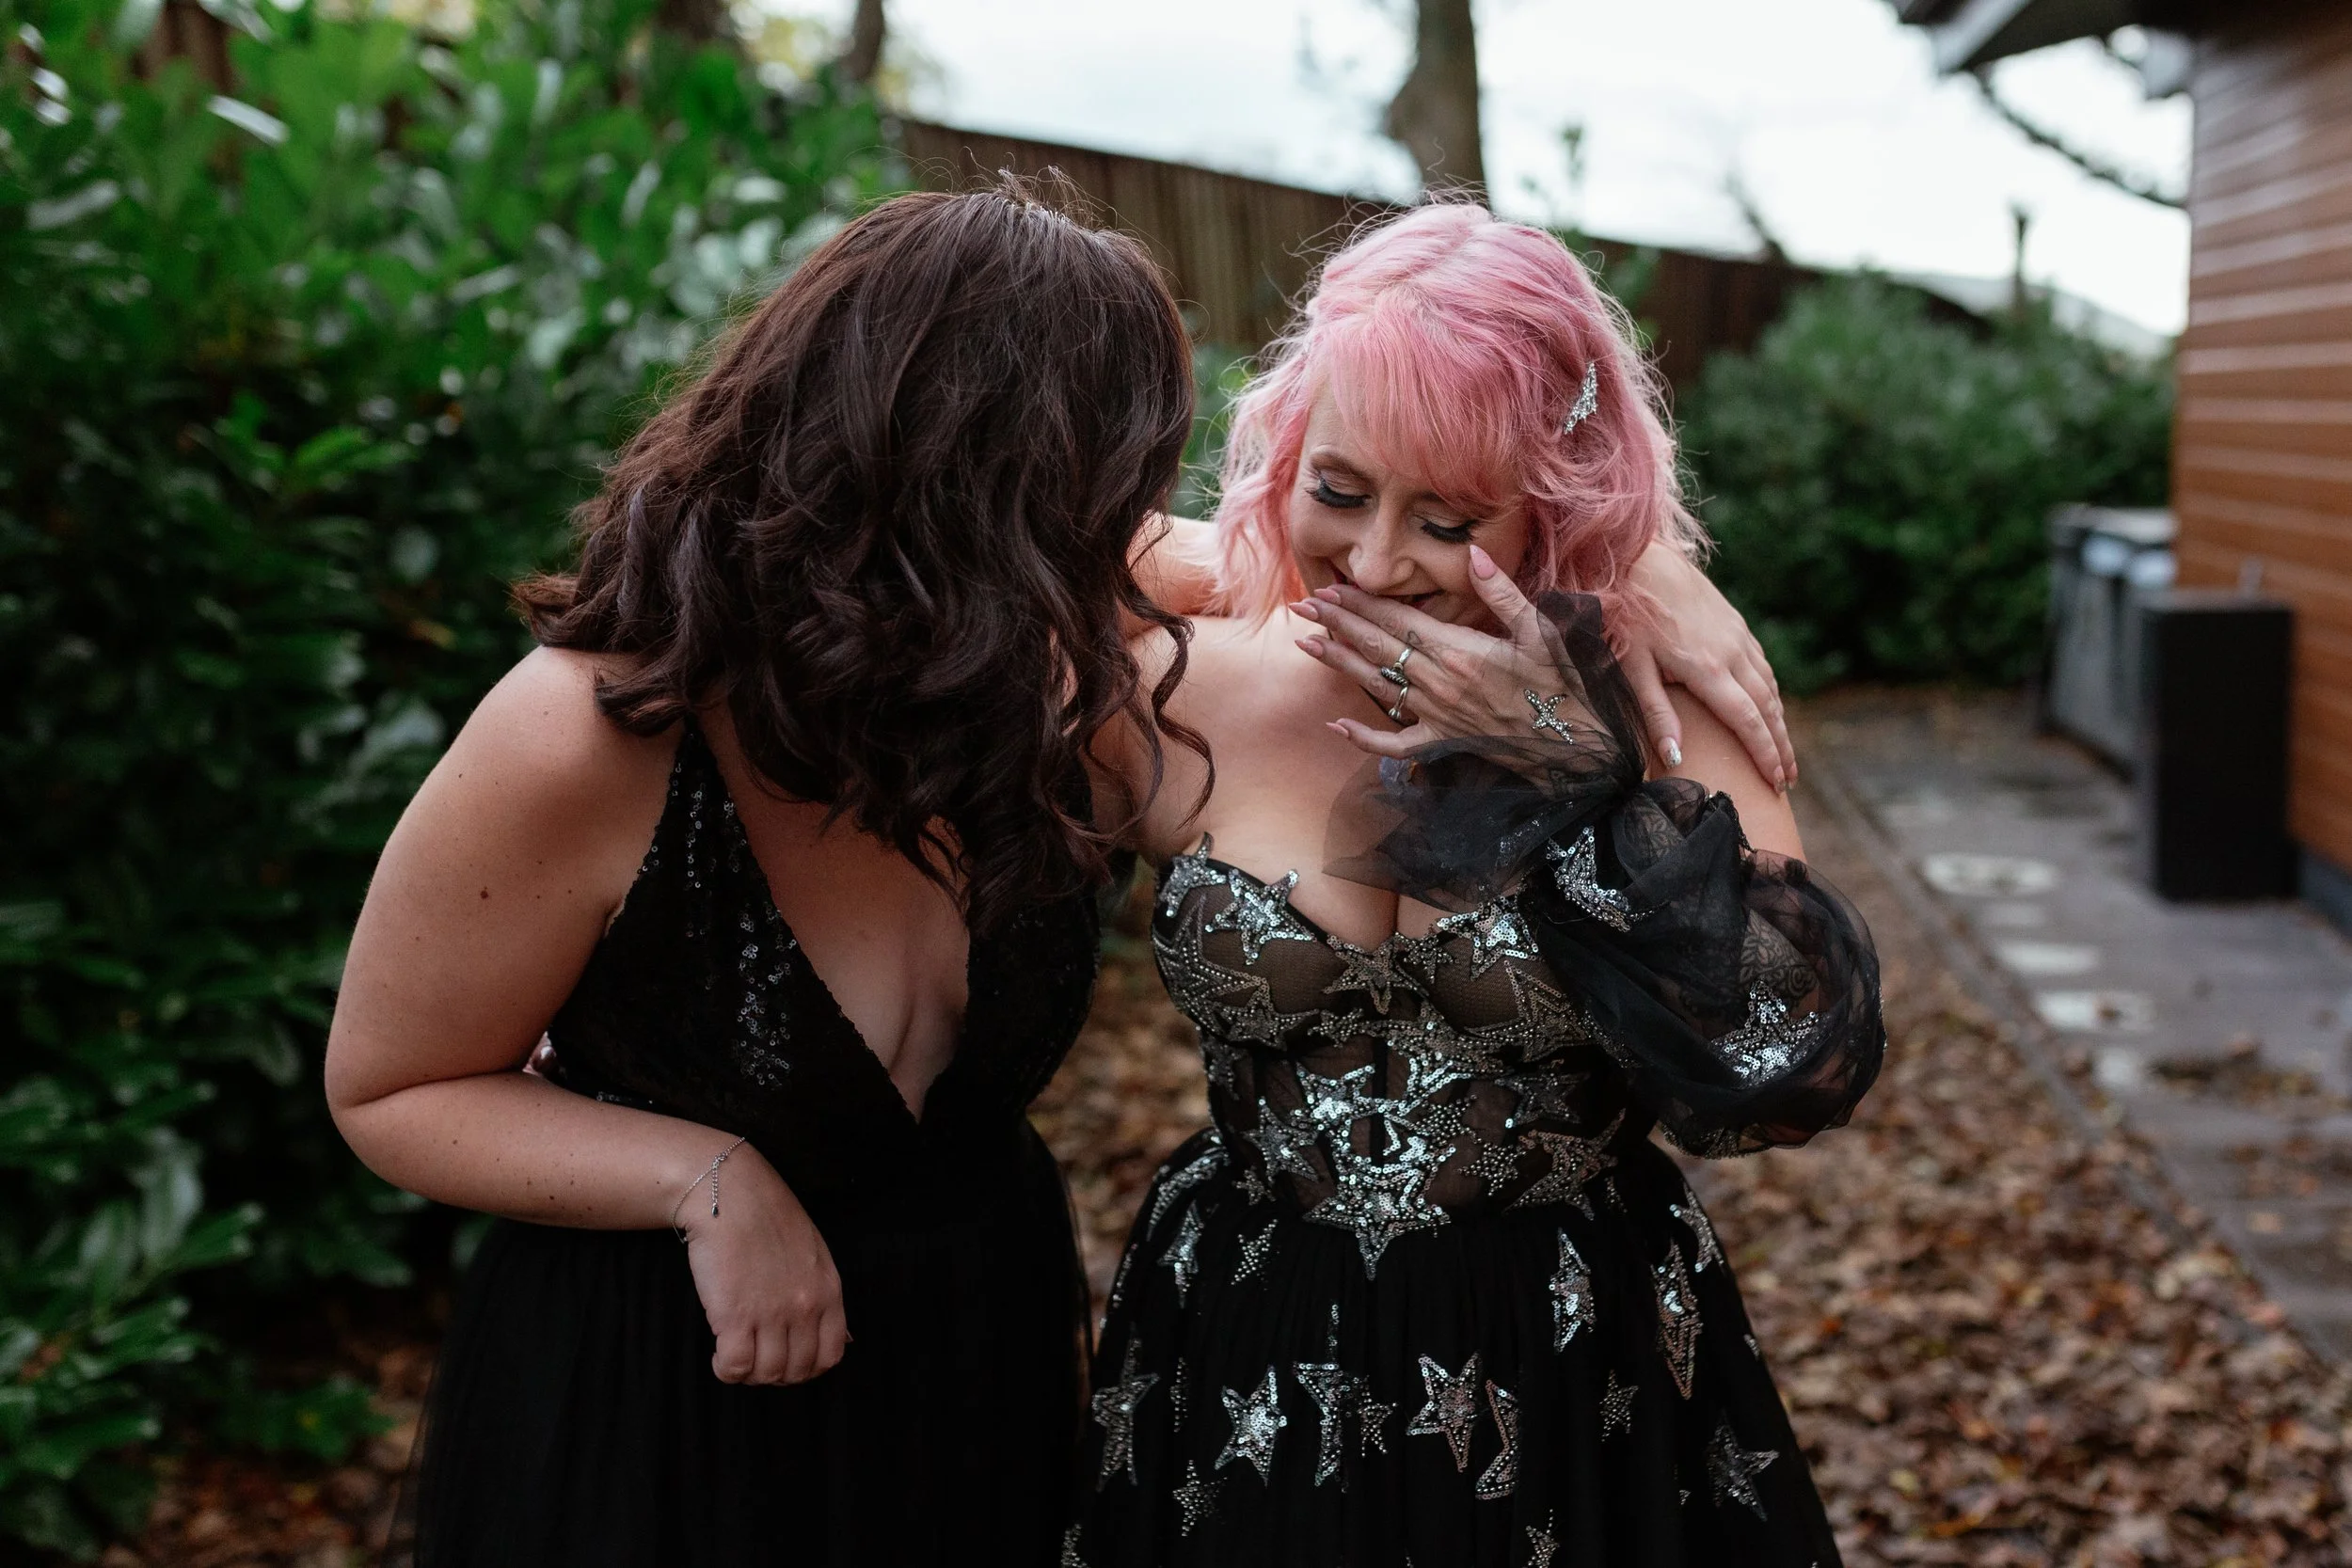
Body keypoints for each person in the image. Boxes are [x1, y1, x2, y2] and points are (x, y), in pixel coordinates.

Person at [326, 182, 1802, 1568]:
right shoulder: (653, 720)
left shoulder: (1029, 666)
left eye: (1122, 503)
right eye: (1100, 499)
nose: (1127, 537)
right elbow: (397, 1076)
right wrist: (694, 1173)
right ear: (969, 496)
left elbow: (1774, 1046)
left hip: (1077, 1368)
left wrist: (1622, 573)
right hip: (730, 1400)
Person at [1070, 202, 1883, 1566]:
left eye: (1447, 518)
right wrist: (1248, 560)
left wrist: (1571, 761)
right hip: (1245, 1349)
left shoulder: (1670, 706)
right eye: (1338, 490)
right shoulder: (1180, 679)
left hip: (1572, 1363)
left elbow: (1787, 1048)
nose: (1379, 562)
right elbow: (952, 537)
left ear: (1556, 498)